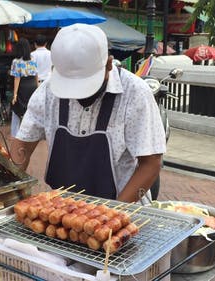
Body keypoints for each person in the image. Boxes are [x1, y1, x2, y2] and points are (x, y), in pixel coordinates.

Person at [10, 24, 166, 203]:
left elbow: (151, 162)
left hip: (123, 206)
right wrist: (11, 189)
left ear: (109, 64)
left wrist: (112, 216)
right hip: (63, 209)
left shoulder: (135, 93)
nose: (77, 95)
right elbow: (22, 145)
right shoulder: (48, 91)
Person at [10, 38, 38, 137]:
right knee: (30, 110)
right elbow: (36, 75)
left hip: (23, 87)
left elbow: (17, 78)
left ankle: (15, 134)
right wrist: (37, 87)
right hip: (33, 86)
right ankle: (31, 133)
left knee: (16, 110)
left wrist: (15, 95)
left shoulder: (16, 61)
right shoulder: (33, 58)